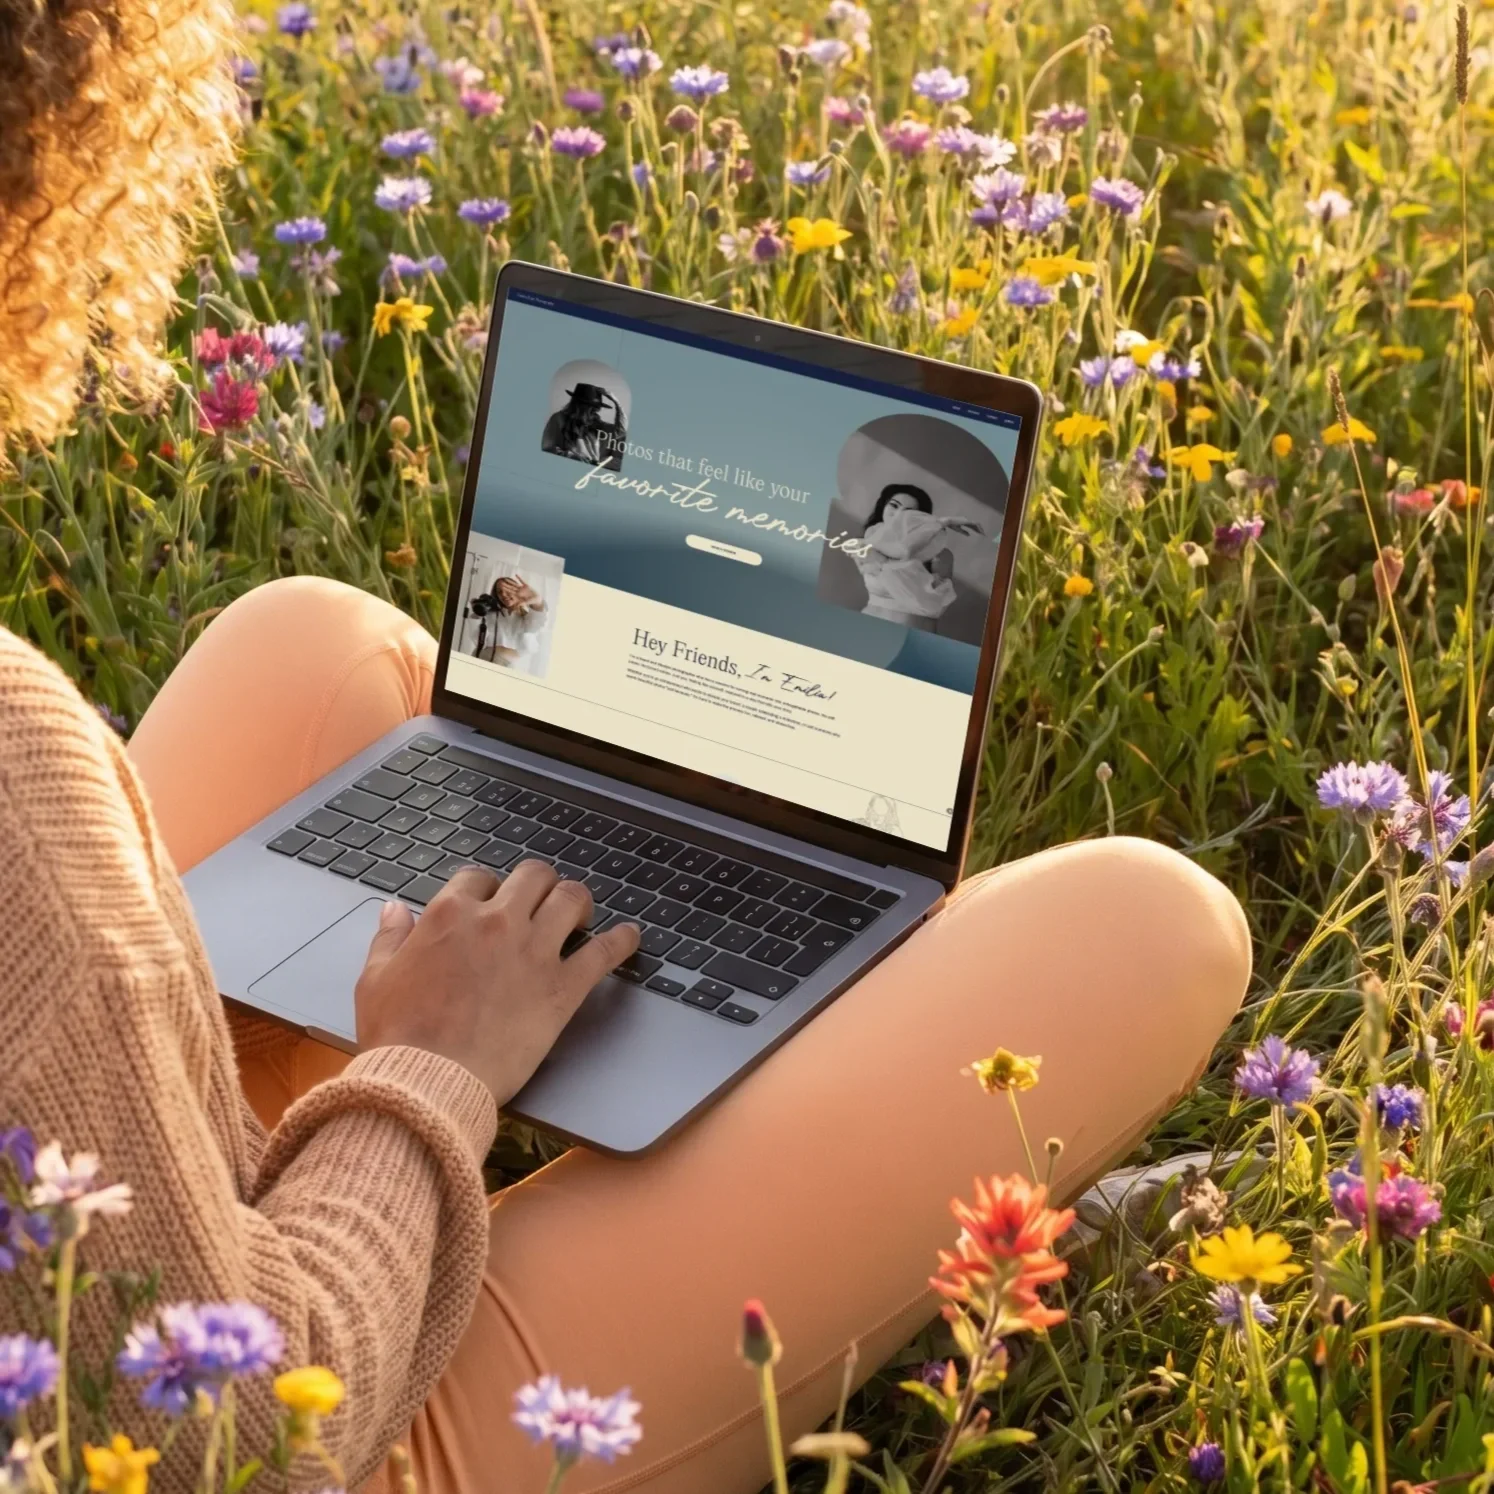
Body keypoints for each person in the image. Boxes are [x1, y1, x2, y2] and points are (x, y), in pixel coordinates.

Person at [0, 4, 1253, 1488]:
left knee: (316, 638)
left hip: (100, 1284)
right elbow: (238, 1441)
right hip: (304, 1426)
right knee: (1148, 923)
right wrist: (429, 1066)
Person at [853, 484, 987, 630]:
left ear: (920, 518)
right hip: (867, 624)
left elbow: (932, 608)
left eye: (909, 512)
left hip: (911, 632)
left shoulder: (939, 554)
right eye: (894, 506)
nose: (899, 514)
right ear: (883, 506)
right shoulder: (868, 542)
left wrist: (941, 523)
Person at [465, 568, 547, 664]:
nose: (503, 595)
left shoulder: (528, 616)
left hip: (507, 665)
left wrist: (537, 602)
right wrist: (478, 613)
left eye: (507, 590)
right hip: (482, 659)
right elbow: (477, 640)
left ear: (517, 590)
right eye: (499, 592)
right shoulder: (490, 613)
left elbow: (537, 626)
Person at [540, 380, 627, 470]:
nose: (595, 410)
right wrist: (571, 456)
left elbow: (621, 432)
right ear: (579, 405)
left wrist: (617, 403)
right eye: (591, 406)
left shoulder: (596, 424)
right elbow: (547, 448)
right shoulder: (558, 419)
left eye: (596, 407)